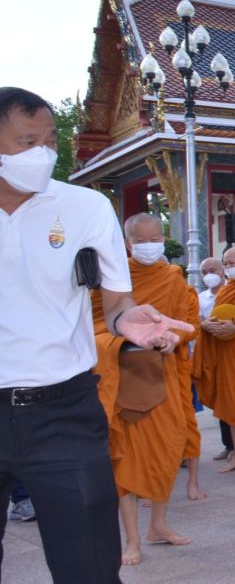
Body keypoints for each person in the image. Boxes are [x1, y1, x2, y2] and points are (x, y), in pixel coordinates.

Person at [0, 87, 193, 583]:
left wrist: (129, 322)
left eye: (50, 139)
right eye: (27, 142)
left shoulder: (85, 207)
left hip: (61, 409)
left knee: (88, 564)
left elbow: (118, 300)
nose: (44, 153)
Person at [92, 212, 201, 565]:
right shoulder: (111, 281)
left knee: (166, 452)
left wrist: (173, 338)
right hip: (125, 378)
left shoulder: (173, 277)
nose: (149, 246)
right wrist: (124, 338)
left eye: (156, 238)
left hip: (164, 373)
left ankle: (158, 525)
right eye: (141, 241)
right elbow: (92, 326)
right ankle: (132, 540)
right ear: (127, 243)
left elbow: (188, 323)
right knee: (126, 459)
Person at [194, 246, 235, 475]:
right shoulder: (226, 291)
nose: (229, 267)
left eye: (231, 263)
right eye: (226, 264)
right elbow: (218, 315)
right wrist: (207, 325)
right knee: (231, 403)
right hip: (227, 354)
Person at [196, 257, 229, 462]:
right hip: (212, 351)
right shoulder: (201, 298)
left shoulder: (234, 290)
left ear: (222, 270)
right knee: (222, 400)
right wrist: (205, 325)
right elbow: (197, 320)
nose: (209, 274)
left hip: (233, 350)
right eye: (204, 271)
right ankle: (229, 445)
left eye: (213, 270)